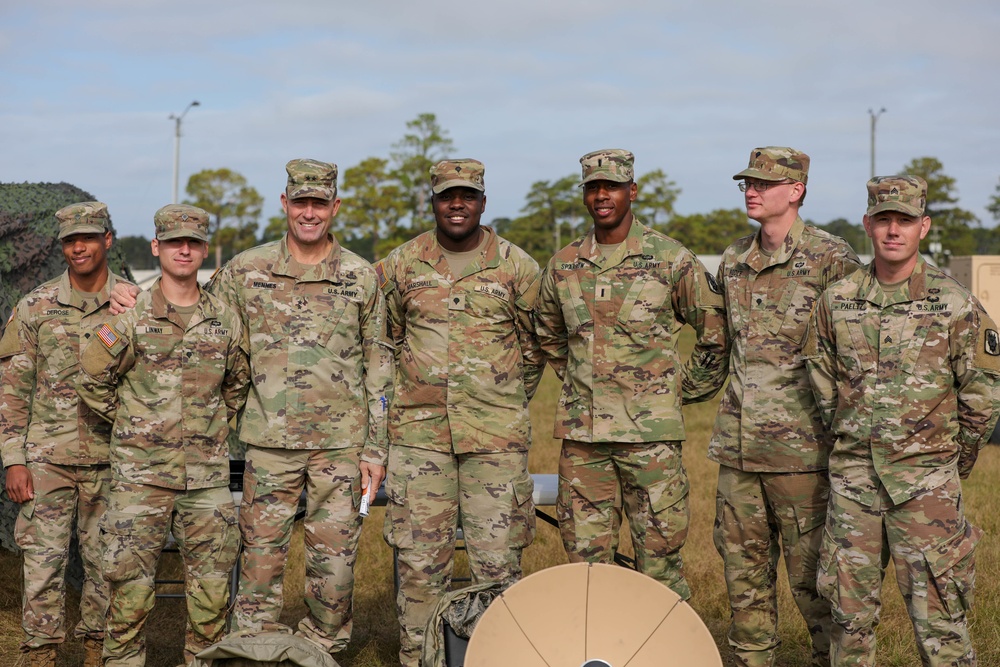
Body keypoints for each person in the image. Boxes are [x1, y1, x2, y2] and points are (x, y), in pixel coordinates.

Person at [110, 160, 393, 654]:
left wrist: (376, 446)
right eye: (300, 202)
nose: (309, 213)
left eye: (319, 203)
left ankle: (321, 654)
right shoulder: (245, 270)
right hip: (267, 447)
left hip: (340, 449)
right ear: (284, 204)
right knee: (259, 566)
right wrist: (127, 295)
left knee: (337, 570)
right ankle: (253, 655)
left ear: (335, 207)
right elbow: (189, 305)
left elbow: (379, 364)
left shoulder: (360, 276)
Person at [803, 175, 1000, 666]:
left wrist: (949, 466)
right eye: (884, 219)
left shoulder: (954, 303)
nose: (894, 230)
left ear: (923, 227)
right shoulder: (838, 300)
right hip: (853, 488)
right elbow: (823, 379)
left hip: (926, 489)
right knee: (848, 624)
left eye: (905, 220)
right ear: (868, 224)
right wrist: (853, 441)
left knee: (942, 623)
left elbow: (982, 395)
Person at [534, 148, 729, 599]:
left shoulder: (669, 259)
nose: (602, 195)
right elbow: (546, 330)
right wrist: (582, 380)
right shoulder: (564, 264)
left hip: (651, 442)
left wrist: (678, 390)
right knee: (585, 569)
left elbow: (714, 330)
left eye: (612, 187)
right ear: (585, 194)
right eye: (593, 187)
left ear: (632, 191)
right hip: (584, 444)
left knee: (659, 564)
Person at [377, 159, 544, 666]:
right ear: (433, 200)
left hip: (495, 445)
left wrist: (500, 399)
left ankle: (497, 659)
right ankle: (421, 660)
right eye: (448, 195)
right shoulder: (401, 265)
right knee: (421, 567)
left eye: (467, 195)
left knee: (498, 568)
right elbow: (383, 344)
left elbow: (536, 348)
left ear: (483, 202)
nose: (457, 204)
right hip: (418, 441)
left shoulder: (517, 266)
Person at [77, 204, 250, 666]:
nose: (184, 250)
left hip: (207, 484)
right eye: (174, 242)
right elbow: (92, 375)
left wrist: (206, 429)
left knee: (213, 600)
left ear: (203, 250)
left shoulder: (225, 320)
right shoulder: (132, 318)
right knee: (128, 598)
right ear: (158, 247)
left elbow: (237, 385)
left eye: (192, 243)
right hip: (140, 481)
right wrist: (133, 423)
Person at [709, 146, 860, 667]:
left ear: (795, 191)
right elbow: (723, 343)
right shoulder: (733, 260)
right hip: (739, 452)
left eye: (764, 183)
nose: (751, 190)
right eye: (747, 183)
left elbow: (853, 354)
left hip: (803, 452)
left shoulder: (831, 258)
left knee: (814, 583)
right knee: (743, 581)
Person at [0, 202, 129, 667]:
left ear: (107, 240)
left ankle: (98, 648)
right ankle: (39, 653)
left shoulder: (134, 305)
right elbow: (14, 388)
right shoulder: (35, 306)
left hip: (113, 458)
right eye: (70, 240)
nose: (79, 247)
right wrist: (14, 458)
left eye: (89, 237)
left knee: (108, 562)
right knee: (42, 563)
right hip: (47, 460)